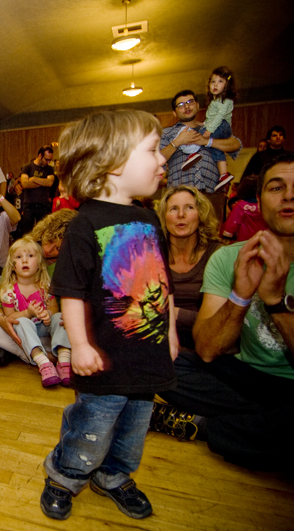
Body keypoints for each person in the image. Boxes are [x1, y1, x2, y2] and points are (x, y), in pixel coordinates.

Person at [153, 153, 294, 472]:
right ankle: (281, 433)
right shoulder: (230, 258)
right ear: (258, 201)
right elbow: (207, 349)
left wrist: (275, 300)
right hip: (246, 377)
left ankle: (208, 427)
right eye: (275, 187)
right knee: (164, 362)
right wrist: (241, 295)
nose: (288, 195)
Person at [40, 110, 178, 522]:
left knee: (134, 431)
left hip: (146, 357)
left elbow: (163, 283)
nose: (162, 160)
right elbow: (70, 292)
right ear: (114, 164)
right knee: (91, 431)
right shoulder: (84, 225)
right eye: (153, 150)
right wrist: (79, 345)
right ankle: (65, 476)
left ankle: (114, 477)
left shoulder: (151, 219)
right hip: (102, 361)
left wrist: (169, 331)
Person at [0, 209, 77, 367]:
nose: (48, 250)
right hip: (20, 324)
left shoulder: (70, 263)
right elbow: (0, 293)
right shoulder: (25, 250)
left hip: (48, 326)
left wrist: (63, 317)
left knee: (69, 331)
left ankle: (22, 351)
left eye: (57, 248)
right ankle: (46, 355)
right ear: (43, 233)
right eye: (48, 240)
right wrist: (2, 318)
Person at [0, 237, 71, 387]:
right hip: (24, 330)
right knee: (21, 322)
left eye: (30, 256)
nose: (24, 260)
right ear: (12, 265)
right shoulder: (8, 290)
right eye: (18, 257)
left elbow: (53, 308)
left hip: (43, 328)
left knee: (61, 317)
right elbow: (10, 317)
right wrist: (28, 313)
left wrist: (47, 315)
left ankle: (64, 361)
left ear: (39, 264)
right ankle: (43, 363)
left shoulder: (45, 285)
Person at [156, 185, 222, 351]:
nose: (181, 215)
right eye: (173, 209)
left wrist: (173, 312)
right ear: (164, 216)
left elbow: (222, 321)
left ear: (201, 214)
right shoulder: (151, 254)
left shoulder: (218, 254)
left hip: (204, 344)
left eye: (189, 208)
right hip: (158, 342)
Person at [160, 90, 242, 220]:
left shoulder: (211, 129)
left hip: (212, 192)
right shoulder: (166, 133)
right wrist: (177, 142)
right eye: (180, 105)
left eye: (190, 102)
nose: (186, 106)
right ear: (174, 112)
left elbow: (235, 144)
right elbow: (157, 160)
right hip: (180, 192)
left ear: (197, 106)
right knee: (182, 234)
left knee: (211, 235)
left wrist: (207, 141)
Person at [19, 145, 55, 234]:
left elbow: (50, 183)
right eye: (46, 159)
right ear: (40, 155)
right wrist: (43, 182)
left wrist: (34, 179)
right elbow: (25, 184)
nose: (48, 162)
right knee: (27, 232)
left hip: (43, 204)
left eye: (50, 160)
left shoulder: (49, 169)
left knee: (43, 232)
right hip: (29, 204)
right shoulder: (27, 167)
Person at [221, 174, 267, 241]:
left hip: (244, 241)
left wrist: (227, 235)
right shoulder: (265, 205)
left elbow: (232, 222)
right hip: (263, 239)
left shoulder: (240, 206)